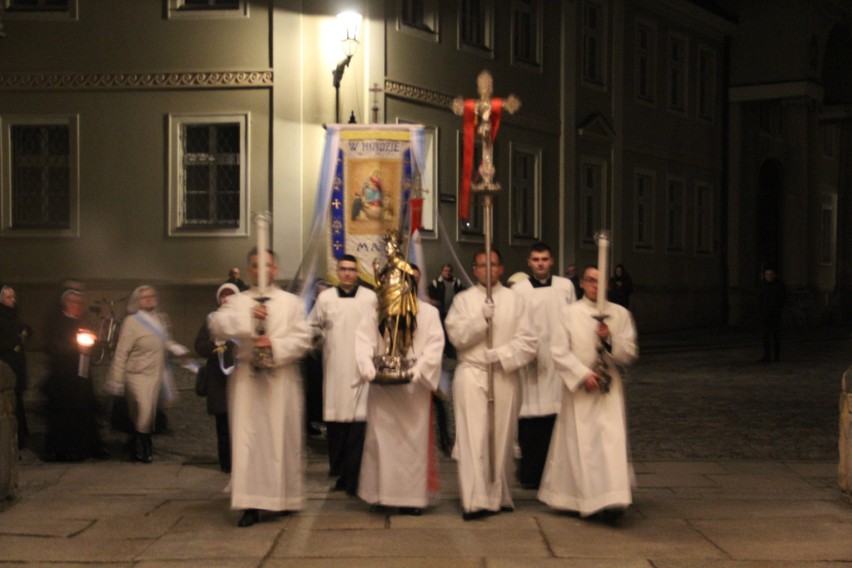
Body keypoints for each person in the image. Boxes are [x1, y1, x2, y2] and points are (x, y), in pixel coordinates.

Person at [209, 247, 312, 527]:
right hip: (248, 383)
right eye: (255, 265)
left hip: (281, 380)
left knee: (283, 439)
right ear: (250, 269)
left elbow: (303, 338)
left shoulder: (291, 302)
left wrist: (275, 345)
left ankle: (285, 497)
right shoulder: (239, 301)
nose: (261, 270)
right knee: (249, 442)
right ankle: (251, 503)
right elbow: (216, 325)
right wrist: (248, 320)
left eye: (267, 265)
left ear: (276, 269)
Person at [538, 265, 638, 519]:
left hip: (609, 388)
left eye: (600, 281)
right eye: (590, 280)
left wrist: (609, 339)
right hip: (581, 389)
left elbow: (629, 352)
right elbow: (559, 350)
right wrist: (581, 374)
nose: (595, 285)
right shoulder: (569, 314)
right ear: (582, 283)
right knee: (582, 445)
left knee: (611, 443)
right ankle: (580, 497)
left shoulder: (620, 314)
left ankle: (613, 498)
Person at [444, 249, 537, 520]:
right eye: (482, 265)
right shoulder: (462, 300)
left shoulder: (515, 301)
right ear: (474, 270)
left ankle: (499, 495)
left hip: (503, 373)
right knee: (474, 436)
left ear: (501, 268)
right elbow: (457, 337)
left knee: (502, 435)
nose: (487, 269)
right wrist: (479, 320)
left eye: (492, 264)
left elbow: (529, 341)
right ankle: (474, 499)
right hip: (472, 373)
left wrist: (503, 354)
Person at [354, 264, 445, 515]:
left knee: (412, 446)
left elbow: (435, 345)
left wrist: (420, 370)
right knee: (380, 442)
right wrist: (367, 367)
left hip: (413, 392)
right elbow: (362, 342)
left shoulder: (428, 312)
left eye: (407, 279)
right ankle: (379, 494)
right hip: (382, 390)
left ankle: (412, 499)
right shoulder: (375, 312)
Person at [307, 254, 377, 495]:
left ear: (357, 272)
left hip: (361, 369)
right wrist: (315, 337)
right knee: (337, 425)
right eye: (343, 269)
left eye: (351, 269)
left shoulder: (370, 298)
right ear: (337, 272)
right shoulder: (325, 298)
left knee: (359, 425)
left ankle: (357, 474)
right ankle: (340, 472)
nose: (347, 273)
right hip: (335, 369)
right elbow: (311, 326)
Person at [510, 242, 576, 489]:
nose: (540, 263)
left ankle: (557, 472)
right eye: (536, 259)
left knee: (556, 417)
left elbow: (574, 319)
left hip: (558, 359)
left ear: (552, 261)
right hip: (531, 361)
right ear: (529, 262)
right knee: (529, 418)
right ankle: (530, 474)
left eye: (545, 259)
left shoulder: (565, 287)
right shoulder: (519, 290)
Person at [106, 286, 188, 463]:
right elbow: (121, 352)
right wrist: (117, 379)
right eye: (145, 297)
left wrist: (176, 348)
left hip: (156, 373)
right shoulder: (131, 322)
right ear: (137, 301)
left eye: (151, 296)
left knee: (147, 411)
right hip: (136, 373)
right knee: (142, 410)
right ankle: (145, 445)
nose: (149, 299)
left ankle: (139, 444)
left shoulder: (161, 318)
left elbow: (166, 340)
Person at [43, 288, 108, 461]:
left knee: (85, 412)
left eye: (79, 303)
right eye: (73, 302)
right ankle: (63, 449)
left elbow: (95, 346)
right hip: (63, 377)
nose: (77, 306)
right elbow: (52, 347)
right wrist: (74, 348)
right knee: (64, 415)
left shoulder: (84, 321)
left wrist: (93, 343)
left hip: (82, 375)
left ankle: (89, 446)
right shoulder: (57, 322)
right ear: (65, 304)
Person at [194, 283, 239, 473]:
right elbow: (199, 345)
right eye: (223, 296)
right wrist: (214, 346)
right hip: (218, 380)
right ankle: (227, 463)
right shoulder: (211, 320)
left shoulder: (243, 319)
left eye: (231, 295)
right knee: (223, 424)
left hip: (240, 377)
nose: (227, 299)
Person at [427, 262, 466, 456]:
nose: (448, 273)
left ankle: (447, 440)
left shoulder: (457, 284)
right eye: (445, 270)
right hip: (430, 363)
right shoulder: (436, 284)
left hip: (444, 365)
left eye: (449, 270)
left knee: (445, 402)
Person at [0, 284, 32, 449]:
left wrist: (25, 332)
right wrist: (13, 344)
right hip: (6, 364)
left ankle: (19, 438)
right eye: (8, 297)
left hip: (16, 364)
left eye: (13, 297)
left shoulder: (14, 316)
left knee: (17, 401)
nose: (13, 300)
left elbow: (22, 329)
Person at [759, 267, 786, 362]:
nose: (769, 277)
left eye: (771, 275)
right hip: (765, 314)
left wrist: (777, 309)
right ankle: (766, 355)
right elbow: (760, 299)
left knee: (775, 336)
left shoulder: (779, 286)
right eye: (767, 275)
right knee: (765, 336)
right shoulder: (763, 286)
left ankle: (776, 356)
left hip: (775, 314)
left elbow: (782, 299)